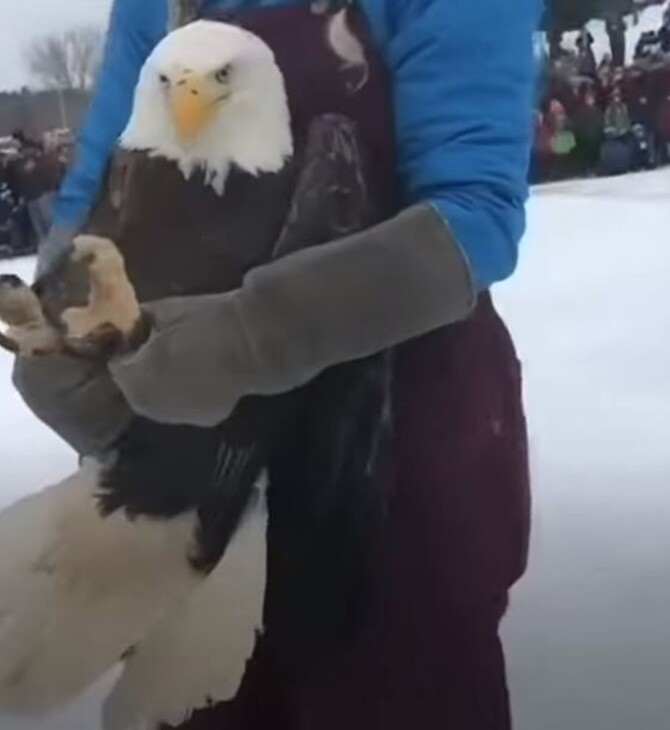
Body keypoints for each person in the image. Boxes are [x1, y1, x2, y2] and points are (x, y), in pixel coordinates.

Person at [14, 1, 539, 729]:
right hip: (188, 453)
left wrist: (246, 339)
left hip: (388, 443)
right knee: (198, 697)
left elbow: (474, 216)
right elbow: (100, 186)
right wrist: (68, 335)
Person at [573, 87, 604, 175]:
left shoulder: (597, 111)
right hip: (585, 139)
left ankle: (594, 168)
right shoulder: (581, 111)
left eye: (592, 98)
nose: (591, 100)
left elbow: (601, 122)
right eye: (589, 98)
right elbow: (578, 125)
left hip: (596, 138)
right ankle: (587, 169)